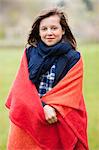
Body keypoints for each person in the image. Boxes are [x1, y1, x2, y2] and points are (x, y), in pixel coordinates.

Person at [6, 8, 89, 150]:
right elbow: (21, 87)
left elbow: (70, 91)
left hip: (56, 118)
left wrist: (52, 106)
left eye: (54, 28)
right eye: (44, 29)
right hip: (31, 115)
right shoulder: (29, 52)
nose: (49, 32)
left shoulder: (73, 57)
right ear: (38, 32)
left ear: (63, 30)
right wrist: (42, 107)